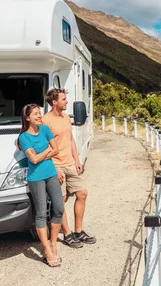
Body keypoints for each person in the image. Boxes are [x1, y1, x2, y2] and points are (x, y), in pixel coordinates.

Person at [43, 88, 96, 248]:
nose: (67, 102)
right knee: (62, 201)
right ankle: (67, 234)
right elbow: (44, 147)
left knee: (82, 193)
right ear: (54, 102)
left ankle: (79, 231)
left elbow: (71, 140)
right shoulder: (46, 121)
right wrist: (54, 168)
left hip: (70, 164)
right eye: (64, 99)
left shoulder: (66, 117)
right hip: (57, 166)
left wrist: (77, 160)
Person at [18, 103, 64, 267]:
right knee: (41, 213)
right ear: (27, 118)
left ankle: (53, 244)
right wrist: (46, 152)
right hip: (36, 177)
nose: (39, 116)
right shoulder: (24, 137)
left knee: (58, 208)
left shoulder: (45, 129)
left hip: (51, 173)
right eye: (35, 114)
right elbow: (34, 160)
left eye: (39, 113)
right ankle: (46, 249)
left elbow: (56, 149)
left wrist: (40, 154)